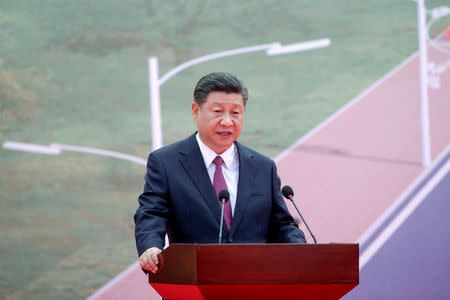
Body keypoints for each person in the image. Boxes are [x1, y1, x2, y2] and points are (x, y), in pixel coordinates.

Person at [134, 72, 306, 274]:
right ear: (196, 112)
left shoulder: (263, 167)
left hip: (255, 283)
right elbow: (151, 213)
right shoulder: (166, 162)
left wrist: (302, 250)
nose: (227, 121)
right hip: (193, 282)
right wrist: (151, 247)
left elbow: (282, 224)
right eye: (218, 111)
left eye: (235, 113)